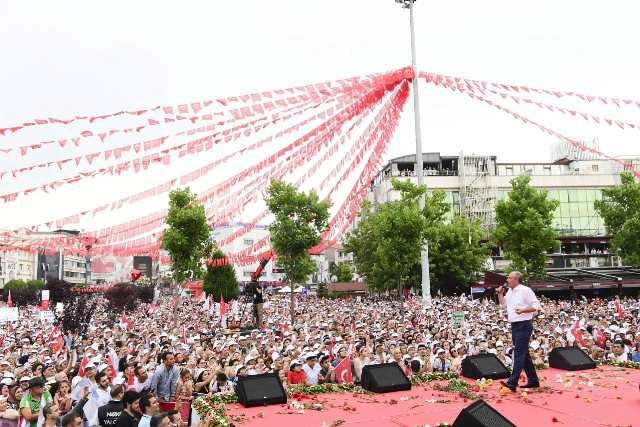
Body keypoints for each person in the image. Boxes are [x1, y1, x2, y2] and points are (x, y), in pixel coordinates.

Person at [497, 271, 541, 392]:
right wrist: (500, 294)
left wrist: (523, 310)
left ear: (516, 279)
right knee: (524, 354)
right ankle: (533, 380)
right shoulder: (510, 292)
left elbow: (536, 306)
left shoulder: (525, 290)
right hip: (515, 325)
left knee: (519, 353)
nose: (507, 279)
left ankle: (512, 382)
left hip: (524, 324)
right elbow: (504, 305)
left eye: (509, 277)